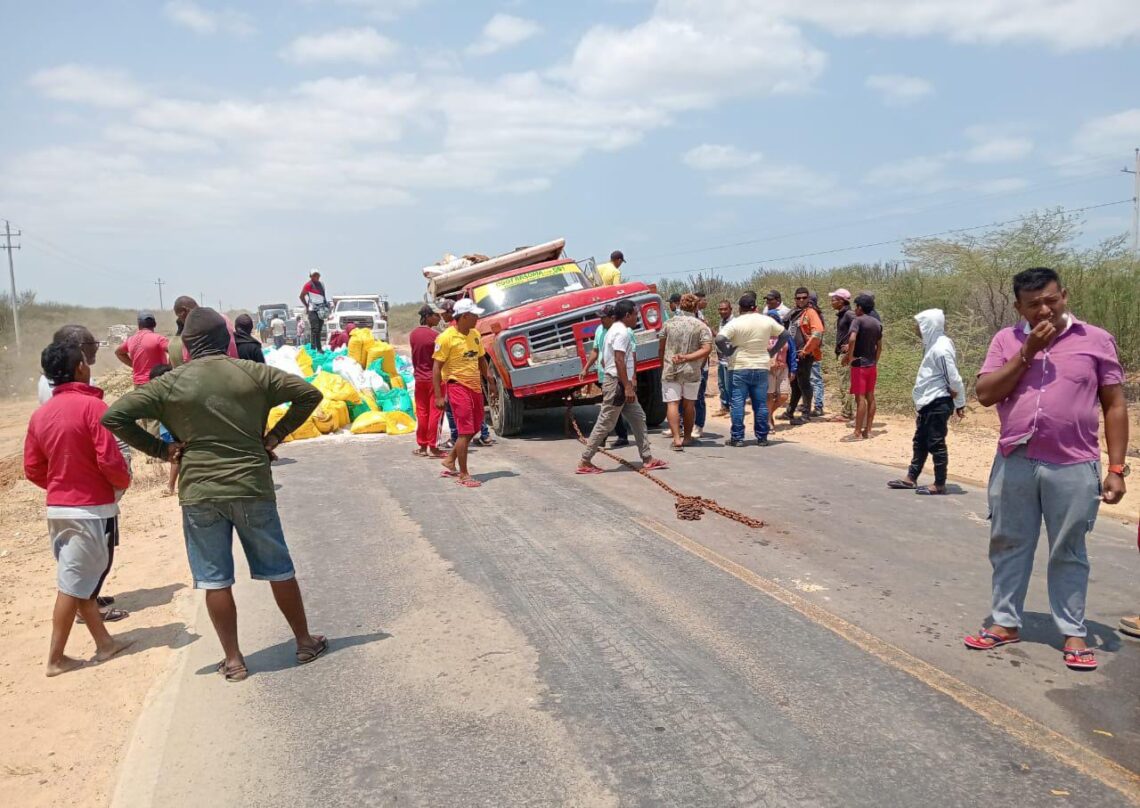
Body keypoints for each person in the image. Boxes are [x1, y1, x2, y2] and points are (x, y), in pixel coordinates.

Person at [103, 307, 327, 683]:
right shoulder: (253, 373)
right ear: (226, 341)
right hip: (251, 486)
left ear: (186, 347)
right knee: (279, 569)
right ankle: (304, 641)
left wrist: (163, 450)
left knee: (215, 579)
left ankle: (234, 660)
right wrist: (275, 436)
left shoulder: (170, 383)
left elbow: (114, 417)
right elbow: (309, 394)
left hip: (200, 491)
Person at [963, 267, 1128, 672]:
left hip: (1074, 463)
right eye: (1033, 304)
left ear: (1064, 296)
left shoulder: (1095, 340)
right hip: (1015, 460)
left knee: (1068, 549)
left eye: (1051, 300)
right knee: (1008, 543)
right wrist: (1027, 353)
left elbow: (1115, 405)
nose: (1044, 310)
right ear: (1019, 306)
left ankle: (1073, 631)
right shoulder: (1007, 340)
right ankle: (1004, 623)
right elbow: (985, 395)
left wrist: (1117, 467)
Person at [25, 340, 135, 676]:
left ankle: (105, 643)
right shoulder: (94, 409)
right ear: (80, 369)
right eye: (86, 361)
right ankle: (56, 659)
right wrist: (118, 484)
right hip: (91, 511)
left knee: (81, 578)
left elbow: (32, 467)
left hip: (59, 509)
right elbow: (111, 460)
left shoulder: (40, 415)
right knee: (72, 584)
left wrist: (61, 484)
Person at [577, 300, 668, 475]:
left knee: (638, 417)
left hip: (619, 382)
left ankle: (647, 458)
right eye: (635, 314)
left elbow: (605, 360)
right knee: (606, 422)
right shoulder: (621, 333)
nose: (636, 318)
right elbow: (619, 360)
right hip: (617, 384)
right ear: (627, 315)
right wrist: (626, 385)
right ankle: (585, 460)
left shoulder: (612, 331)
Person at [887, 309, 966, 495]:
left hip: (938, 402)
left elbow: (954, 379)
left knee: (936, 443)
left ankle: (939, 483)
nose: (917, 328)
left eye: (920, 324)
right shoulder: (932, 343)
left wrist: (960, 403)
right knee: (920, 441)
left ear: (929, 325)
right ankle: (911, 478)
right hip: (927, 401)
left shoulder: (940, 348)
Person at [716, 293, 788, 447]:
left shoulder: (736, 323)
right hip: (761, 366)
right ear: (755, 307)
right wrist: (772, 352)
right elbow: (785, 335)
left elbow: (719, 339)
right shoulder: (766, 320)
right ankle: (762, 437)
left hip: (740, 366)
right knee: (761, 404)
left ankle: (738, 438)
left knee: (737, 403)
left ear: (740, 308)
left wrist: (728, 352)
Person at [433, 300, 492, 487]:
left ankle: (450, 459)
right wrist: (438, 396)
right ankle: (464, 474)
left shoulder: (474, 334)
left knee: (475, 426)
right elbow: (436, 368)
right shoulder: (446, 338)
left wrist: (489, 378)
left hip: (475, 386)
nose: (478, 318)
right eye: (475, 315)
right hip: (457, 385)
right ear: (465, 316)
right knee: (465, 430)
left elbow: (481, 358)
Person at [657, 293, 713, 451]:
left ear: (680, 305)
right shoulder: (701, 326)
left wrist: (664, 364)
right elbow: (707, 348)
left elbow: (661, 348)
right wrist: (689, 358)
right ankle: (687, 437)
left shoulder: (668, 324)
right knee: (689, 404)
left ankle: (676, 439)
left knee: (672, 404)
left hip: (670, 369)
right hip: (691, 371)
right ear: (696, 307)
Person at [579, 303, 630, 447]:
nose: (600, 320)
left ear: (613, 317)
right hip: (604, 374)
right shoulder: (600, 330)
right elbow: (596, 350)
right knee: (613, 407)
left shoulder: (622, 332)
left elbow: (627, 357)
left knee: (610, 408)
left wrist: (630, 381)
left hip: (617, 375)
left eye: (603, 317)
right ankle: (616, 435)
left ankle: (600, 439)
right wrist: (586, 368)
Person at [783, 287, 825, 424]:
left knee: (804, 383)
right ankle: (790, 411)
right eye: (798, 298)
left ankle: (806, 414)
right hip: (792, 354)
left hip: (804, 354)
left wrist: (806, 350)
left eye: (804, 297)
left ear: (808, 299)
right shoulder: (794, 313)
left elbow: (818, 332)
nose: (801, 300)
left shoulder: (811, 313)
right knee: (795, 384)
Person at [845, 293, 883, 440]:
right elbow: (879, 347)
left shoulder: (857, 321)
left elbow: (853, 338)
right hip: (872, 364)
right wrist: (875, 361)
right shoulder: (877, 323)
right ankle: (868, 431)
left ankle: (857, 433)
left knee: (860, 398)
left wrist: (850, 356)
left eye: (856, 306)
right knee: (870, 396)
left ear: (860, 307)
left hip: (859, 365)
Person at [410, 305, 445, 458]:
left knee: (422, 413)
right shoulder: (436, 336)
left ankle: (422, 446)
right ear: (428, 316)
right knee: (435, 414)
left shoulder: (413, 334)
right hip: (435, 380)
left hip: (419, 379)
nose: (439, 318)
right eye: (437, 316)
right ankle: (434, 446)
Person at [38, 325, 100, 405]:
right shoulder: (81, 382)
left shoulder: (46, 378)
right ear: (80, 348)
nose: (95, 347)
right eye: (91, 343)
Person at [148, 364, 182, 496]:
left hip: (170, 429)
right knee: (177, 457)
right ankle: (173, 486)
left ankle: (172, 486)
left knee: (177, 457)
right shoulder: (168, 392)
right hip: (168, 430)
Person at [173, 296, 238, 362]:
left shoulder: (191, 327)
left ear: (184, 311)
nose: (181, 320)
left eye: (179, 316)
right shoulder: (224, 318)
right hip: (233, 364)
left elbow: (187, 359)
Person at [828, 289, 856, 423]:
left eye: (834, 299)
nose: (832, 302)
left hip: (846, 355)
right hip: (841, 353)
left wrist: (850, 347)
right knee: (843, 383)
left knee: (845, 384)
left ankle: (846, 413)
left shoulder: (850, 315)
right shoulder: (842, 315)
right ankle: (846, 411)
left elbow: (859, 329)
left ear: (841, 301)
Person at [766, 311, 796, 430]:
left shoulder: (785, 335)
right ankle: (768, 419)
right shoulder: (762, 335)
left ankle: (767, 413)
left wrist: (793, 369)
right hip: (768, 369)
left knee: (783, 395)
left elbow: (792, 353)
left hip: (783, 368)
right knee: (769, 395)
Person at [299, 270, 329, 351]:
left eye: (317, 275)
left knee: (319, 328)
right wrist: (306, 305)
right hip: (312, 310)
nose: (316, 277)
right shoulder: (308, 285)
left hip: (321, 310)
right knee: (314, 329)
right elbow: (301, 296)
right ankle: (314, 348)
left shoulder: (321, 284)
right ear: (311, 276)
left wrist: (326, 306)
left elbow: (323, 296)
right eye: (314, 275)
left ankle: (319, 348)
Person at [714, 299, 734, 416]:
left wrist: (711, 330)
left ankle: (733, 408)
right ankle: (724, 406)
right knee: (722, 385)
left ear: (730, 309)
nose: (723, 311)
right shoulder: (722, 321)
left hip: (729, 359)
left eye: (725, 309)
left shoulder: (733, 322)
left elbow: (723, 338)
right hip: (721, 359)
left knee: (729, 385)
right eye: (721, 309)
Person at [808, 293, 826, 417]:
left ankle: (818, 406)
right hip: (811, 351)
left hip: (813, 352)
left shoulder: (813, 315)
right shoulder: (816, 314)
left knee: (815, 379)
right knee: (809, 379)